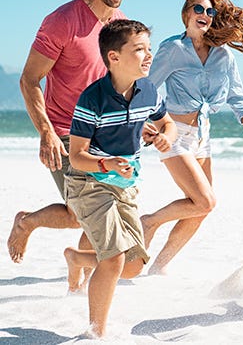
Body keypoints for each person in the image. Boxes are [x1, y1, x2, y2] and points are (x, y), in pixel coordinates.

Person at [8, 0, 142, 266]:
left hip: (105, 135)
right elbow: (29, 80)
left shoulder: (120, 23)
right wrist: (46, 133)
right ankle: (29, 225)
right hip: (67, 134)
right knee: (87, 213)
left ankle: (76, 269)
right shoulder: (62, 21)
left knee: (92, 211)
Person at [141, 0, 243, 274]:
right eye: (198, 9)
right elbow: (146, 86)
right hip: (174, 132)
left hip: (202, 136)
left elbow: (237, 91)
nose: (204, 15)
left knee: (203, 208)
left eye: (209, 11)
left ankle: (159, 266)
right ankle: (149, 222)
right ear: (187, 13)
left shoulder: (222, 55)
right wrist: (148, 121)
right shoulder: (172, 49)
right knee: (204, 200)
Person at [63, 19, 177, 338]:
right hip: (89, 182)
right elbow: (76, 156)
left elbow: (166, 123)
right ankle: (95, 334)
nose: (148, 55)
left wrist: (166, 136)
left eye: (149, 49)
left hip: (126, 185)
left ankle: (77, 258)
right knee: (113, 260)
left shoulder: (149, 90)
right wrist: (108, 163)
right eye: (139, 49)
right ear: (114, 57)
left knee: (133, 265)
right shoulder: (92, 99)